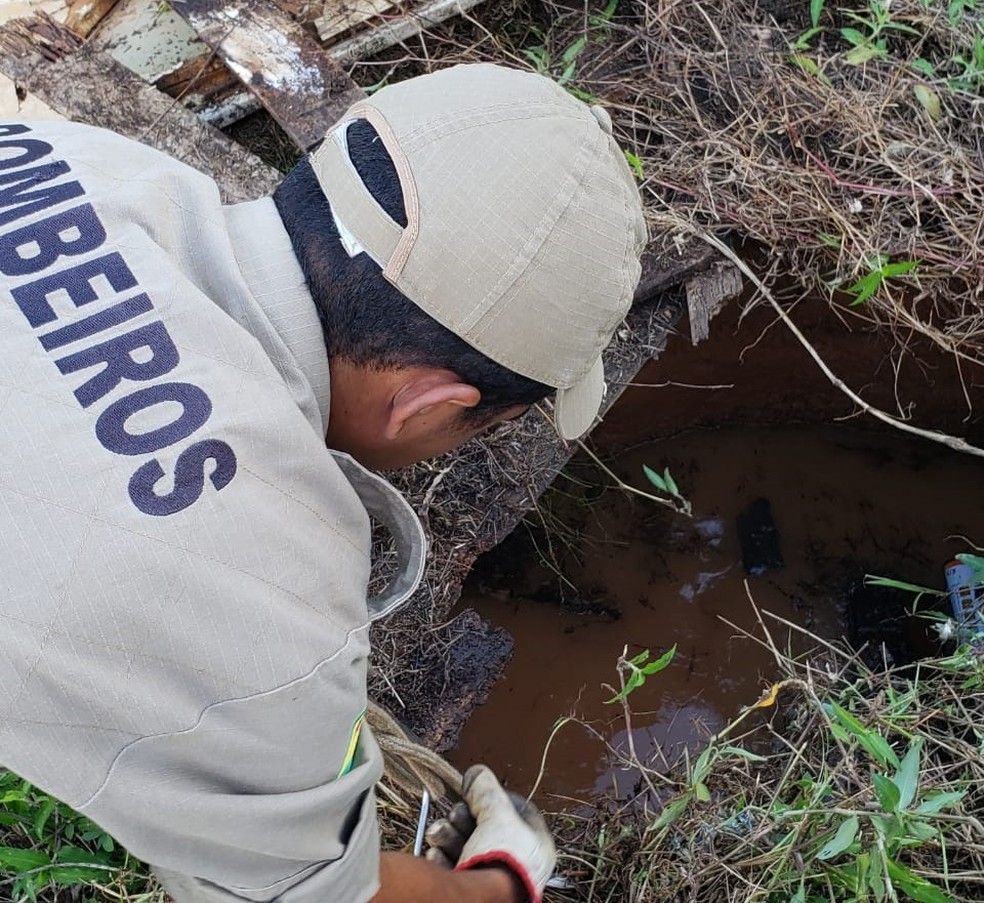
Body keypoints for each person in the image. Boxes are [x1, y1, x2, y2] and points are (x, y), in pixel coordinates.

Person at [0, 63, 646, 903]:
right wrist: (502, 881)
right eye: (488, 423)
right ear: (426, 403)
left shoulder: (66, 153)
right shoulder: (267, 616)